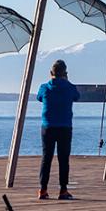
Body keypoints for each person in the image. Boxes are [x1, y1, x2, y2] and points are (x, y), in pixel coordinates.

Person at [37, 59, 80, 200]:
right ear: (65, 73)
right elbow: (77, 97)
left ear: (51, 73)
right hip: (65, 127)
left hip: (47, 127)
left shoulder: (44, 87)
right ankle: (63, 190)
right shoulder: (70, 87)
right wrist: (66, 81)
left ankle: (43, 190)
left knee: (46, 158)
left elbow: (39, 98)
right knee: (63, 159)